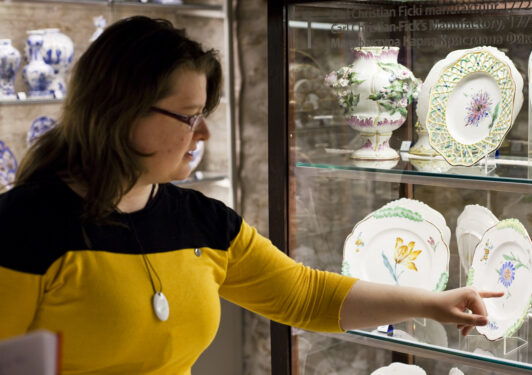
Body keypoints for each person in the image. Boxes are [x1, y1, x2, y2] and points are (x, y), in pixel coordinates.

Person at [0, 16, 501, 374]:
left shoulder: (204, 222)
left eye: (204, 117)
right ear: (120, 110)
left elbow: (305, 295)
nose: (203, 136)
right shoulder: (27, 223)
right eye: (188, 117)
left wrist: (434, 304)